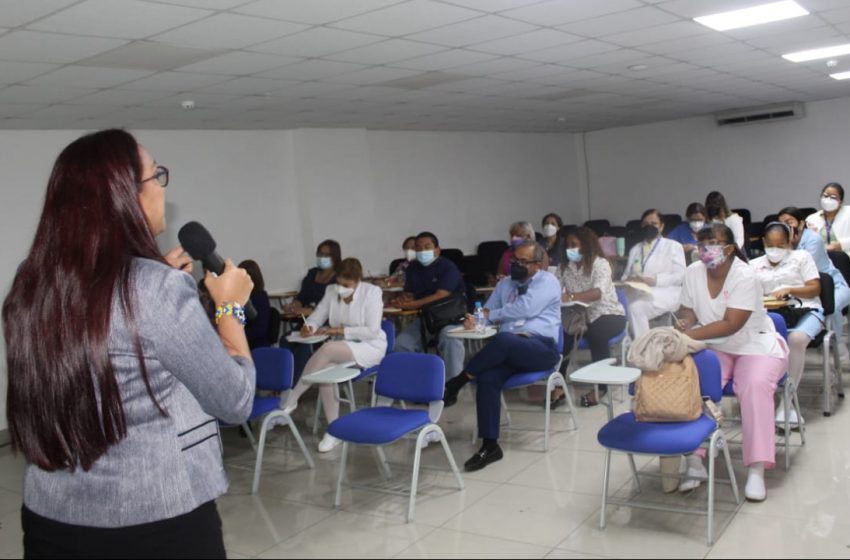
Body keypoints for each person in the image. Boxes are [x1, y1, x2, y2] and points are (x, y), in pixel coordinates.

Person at [2, 129, 256, 558]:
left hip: (51, 517)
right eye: (154, 175)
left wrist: (152, 274)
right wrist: (229, 309)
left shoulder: (31, 282)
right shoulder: (156, 289)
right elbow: (235, 400)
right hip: (155, 521)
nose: (160, 186)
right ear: (124, 194)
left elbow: (106, 323)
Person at [675, 223, 788, 502]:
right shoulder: (693, 272)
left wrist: (689, 334)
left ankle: (757, 469)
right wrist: (684, 322)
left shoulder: (744, 274)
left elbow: (731, 324)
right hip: (715, 345)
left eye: (713, 243)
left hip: (755, 345)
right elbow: (688, 309)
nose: (706, 250)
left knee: (753, 385)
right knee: (695, 382)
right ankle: (695, 460)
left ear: (728, 247)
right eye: (702, 244)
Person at [441, 242, 561, 472]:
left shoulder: (548, 282)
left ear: (537, 265)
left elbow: (524, 309)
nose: (516, 265)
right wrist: (475, 319)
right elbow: (486, 311)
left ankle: (458, 382)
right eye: (514, 260)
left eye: (523, 262)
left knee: (504, 340)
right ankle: (490, 445)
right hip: (508, 351)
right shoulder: (506, 284)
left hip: (540, 348)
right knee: (487, 378)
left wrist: (490, 315)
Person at [281, 258, 387, 452]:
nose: (340, 288)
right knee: (325, 373)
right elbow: (318, 314)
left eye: (346, 285)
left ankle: (292, 398)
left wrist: (338, 331)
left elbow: (372, 331)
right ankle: (334, 430)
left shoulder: (372, 292)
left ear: (358, 281)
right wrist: (310, 326)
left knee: (327, 350)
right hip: (341, 346)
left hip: (369, 346)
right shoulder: (331, 291)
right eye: (338, 283)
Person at [749, 222, 822, 427]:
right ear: (763, 242)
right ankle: (762, 397)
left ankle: (788, 401)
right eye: (771, 245)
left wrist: (790, 289)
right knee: (754, 341)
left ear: (789, 243)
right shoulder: (753, 265)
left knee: (795, 339)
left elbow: (815, 288)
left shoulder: (801, 258)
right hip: (769, 314)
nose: (775, 250)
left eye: (780, 246)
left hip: (804, 310)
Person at [555, 226, 627, 407]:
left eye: (575, 244)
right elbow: (554, 288)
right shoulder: (565, 267)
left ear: (586, 245)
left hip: (608, 314)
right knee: (562, 336)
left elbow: (597, 293)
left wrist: (570, 297)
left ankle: (601, 388)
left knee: (596, 334)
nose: (570, 249)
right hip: (579, 316)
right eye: (568, 245)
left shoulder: (600, 263)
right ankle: (558, 385)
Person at [778, 206, 850, 365]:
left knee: (832, 307)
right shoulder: (779, 241)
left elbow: (800, 270)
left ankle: (838, 346)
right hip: (805, 289)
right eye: (781, 223)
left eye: (789, 222)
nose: (785, 226)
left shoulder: (813, 240)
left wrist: (787, 247)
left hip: (834, 286)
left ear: (801, 224)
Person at [392, 231, 466, 380]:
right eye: (418, 248)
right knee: (402, 343)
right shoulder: (413, 267)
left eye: (427, 247)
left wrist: (413, 305)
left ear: (437, 250)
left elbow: (441, 295)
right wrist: (403, 300)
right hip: (426, 318)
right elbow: (411, 293)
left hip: (451, 317)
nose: (422, 251)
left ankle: (452, 386)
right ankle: (421, 382)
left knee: (450, 339)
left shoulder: (448, 267)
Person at [621, 209, 686, 338]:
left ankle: (644, 348)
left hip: (666, 291)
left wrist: (655, 281)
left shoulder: (673, 246)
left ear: (661, 227)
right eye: (645, 224)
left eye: (654, 223)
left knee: (636, 308)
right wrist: (628, 279)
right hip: (638, 291)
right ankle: (628, 344)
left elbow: (680, 276)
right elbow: (625, 274)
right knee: (617, 306)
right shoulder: (635, 249)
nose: (649, 226)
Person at [283, 239, 341, 314]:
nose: (323, 257)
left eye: (327, 255)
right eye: (320, 254)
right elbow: (301, 297)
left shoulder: (340, 277)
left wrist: (309, 311)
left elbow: (333, 306)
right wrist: (293, 306)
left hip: (326, 320)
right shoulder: (312, 273)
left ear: (335, 257)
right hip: (305, 317)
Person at [805, 182, 850, 257]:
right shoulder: (811, 218)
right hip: (822, 259)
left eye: (833, 197)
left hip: (846, 257)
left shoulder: (848, 212)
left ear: (841, 202)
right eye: (825, 196)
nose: (828, 199)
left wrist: (841, 245)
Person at [239, 259, 272, 349]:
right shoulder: (238, 296)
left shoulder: (260, 298)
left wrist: (237, 335)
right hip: (240, 341)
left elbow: (260, 330)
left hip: (255, 344)